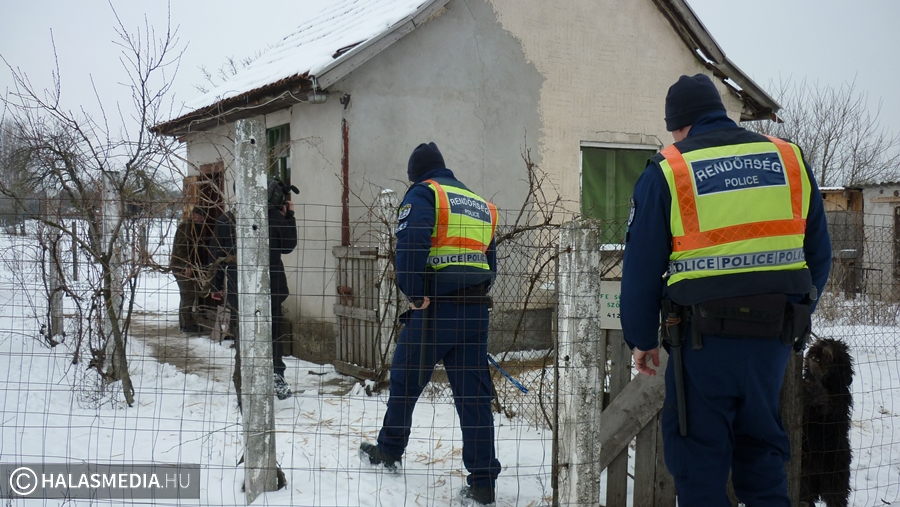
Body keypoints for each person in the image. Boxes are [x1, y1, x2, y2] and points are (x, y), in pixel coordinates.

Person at [620, 74, 832, 506]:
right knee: (763, 451)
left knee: (698, 457)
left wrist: (642, 339)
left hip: (702, 344)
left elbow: (641, 268)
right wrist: (796, 313)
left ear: (680, 124)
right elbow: (819, 256)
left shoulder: (670, 169)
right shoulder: (789, 159)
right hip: (772, 338)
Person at [358, 142, 502, 507]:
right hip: (474, 310)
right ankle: (483, 483)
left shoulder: (425, 193)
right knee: (474, 398)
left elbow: (412, 241)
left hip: (434, 309)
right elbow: (490, 259)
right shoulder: (477, 203)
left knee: (405, 380)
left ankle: (389, 451)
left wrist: (414, 291)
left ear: (416, 174)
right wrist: (476, 290)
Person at [210, 179, 298, 402]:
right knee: (273, 332)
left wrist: (216, 285)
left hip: (239, 288)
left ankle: (246, 377)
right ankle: (276, 375)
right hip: (271, 287)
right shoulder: (273, 216)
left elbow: (217, 256)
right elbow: (288, 246)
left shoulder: (226, 219)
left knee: (244, 332)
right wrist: (289, 216)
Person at [170, 206, 211, 333]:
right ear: (194, 215)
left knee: (190, 294)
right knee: (188, 294)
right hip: (182, 267)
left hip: (188, 266)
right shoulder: (187, 226)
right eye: (200, 216)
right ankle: (187, 324)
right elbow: (181, 248)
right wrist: (186, 265)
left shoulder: (195, 227)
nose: (202, 219)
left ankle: (187, 322)